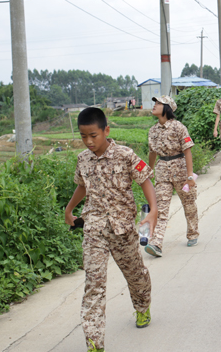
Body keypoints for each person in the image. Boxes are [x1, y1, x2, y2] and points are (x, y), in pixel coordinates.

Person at [64, 107, 158, 352]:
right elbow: (82, 186)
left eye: (93, 135)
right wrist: (69, 209)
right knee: (93, 284)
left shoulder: (125, 155)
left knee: (136, 276)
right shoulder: (82, 159)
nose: (88, 141)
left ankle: (142, 307)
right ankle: (94, 342)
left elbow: (145, 181)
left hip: (123, 229)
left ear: (106, 130)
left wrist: (153, 211)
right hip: (94, 228)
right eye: (83, 136)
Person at [143, 96, 199, 258]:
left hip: (180, 168)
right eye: (154, 103)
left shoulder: (178, 127)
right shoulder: (153, 130)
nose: (154, 106)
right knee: (160, 207)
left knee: (188, 203)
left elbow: (187, 150)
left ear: (167, 108)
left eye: (158, 103)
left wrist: (190, 175)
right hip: (162, 171)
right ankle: (156, 243)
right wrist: (149, 170)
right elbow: (152, 152)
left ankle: (193, 232)